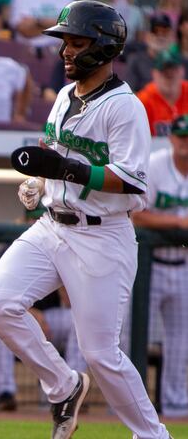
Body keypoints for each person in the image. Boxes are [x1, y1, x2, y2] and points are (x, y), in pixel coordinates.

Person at [0, 2, 171, 438]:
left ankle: (154, 436)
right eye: (65, 42)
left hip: (102, 236)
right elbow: (55, 150)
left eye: (77, 42)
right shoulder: (65, 96)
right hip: (52, 225)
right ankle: (63, 385)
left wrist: (64, 171)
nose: (67, 51)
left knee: (101, 353)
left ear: (103, 47)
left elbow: (131, 179)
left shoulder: (125, 107)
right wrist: (38, 182)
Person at [131, 114, 188, 419]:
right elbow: (135, 213)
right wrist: (178, 222)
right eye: (181, 136)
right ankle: (129, 406)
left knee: (181, 340)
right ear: (171, 138)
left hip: (182, 265)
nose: (186, 143)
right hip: (148, 266)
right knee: (132, 337)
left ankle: (176, 404)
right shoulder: (154, 164)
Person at [0, 288, 88, 412]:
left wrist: (64, 279)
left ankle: (72, 391)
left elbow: (69, 302)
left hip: (49, 320)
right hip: (14, 316)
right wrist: (29, 313)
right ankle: (5, 394)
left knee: (79, 319)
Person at [136, 49, 188, 137]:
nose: (169, 75)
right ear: (154, 73)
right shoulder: (143, 101)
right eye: (163, 72)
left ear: (182, 71)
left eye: (173, 71)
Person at [126, 13, 177, 93]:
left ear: (171, 36)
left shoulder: (180, 63)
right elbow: (129, 93)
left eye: (165, 31)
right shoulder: (135, 60)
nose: (160, 35)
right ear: (147, 35)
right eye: (155, 30)